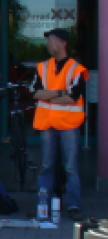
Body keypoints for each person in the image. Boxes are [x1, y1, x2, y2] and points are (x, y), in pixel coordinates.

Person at [30, 28, 88, 221]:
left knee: (70, 167)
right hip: (47, 124)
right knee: (47, 166)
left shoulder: (76, 69)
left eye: (51, 40)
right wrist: (58, 93)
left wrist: (49, 94)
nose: (48, 44)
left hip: (69, 125)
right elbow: (35, 93)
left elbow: (72, 97)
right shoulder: (42, 67)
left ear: (62, 43)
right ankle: (43, 205)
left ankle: (74, 206)